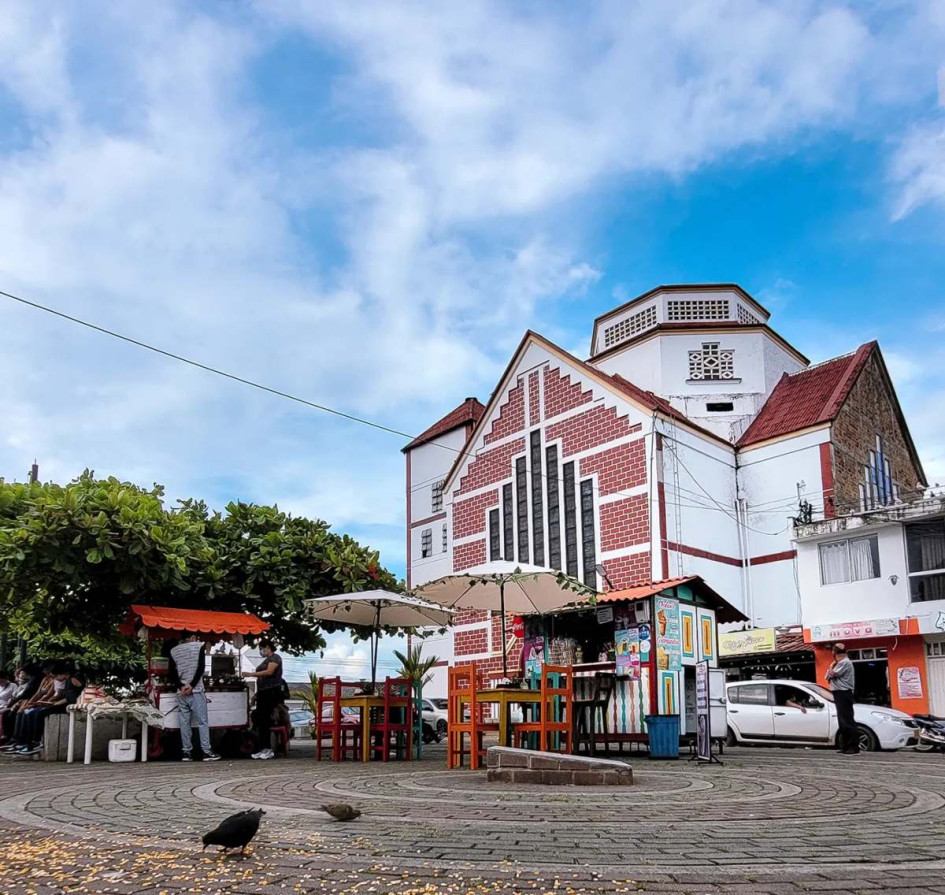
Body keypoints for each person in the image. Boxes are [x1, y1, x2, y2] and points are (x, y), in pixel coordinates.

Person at [7, 662, 84, 755]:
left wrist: (54, 704)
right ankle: (28, 741)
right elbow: (67, 697)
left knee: (40, 713)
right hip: (64, 704)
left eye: (56, 676)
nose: (55, 679)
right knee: (32, 712)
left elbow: (73, 697)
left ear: (62, 673)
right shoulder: (68, 680)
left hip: (69, 706)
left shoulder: (73, 679)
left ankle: (37, 741)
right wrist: (52, 703)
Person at [169, 633, 220, 762]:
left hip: (181, 692)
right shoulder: (199, 647)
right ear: (192, 637)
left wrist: (181, 686)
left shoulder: (174, 651)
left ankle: (187, 753)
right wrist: (191, 685)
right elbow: (201, 668)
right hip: (196, 690)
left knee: (184, 723)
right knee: (202, 722)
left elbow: (171, 673)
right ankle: (206, 752)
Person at [245, 639, 284, 761]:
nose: (261, 651)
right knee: (259, 718)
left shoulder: (275, 658)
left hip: (271, 692)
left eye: (262, 648)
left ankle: (267, 748)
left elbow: (269, 672)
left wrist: (251, 675)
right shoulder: (266, 660)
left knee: (264, 718)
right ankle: (263, 747)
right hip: (263, 692)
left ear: (267, 647)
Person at [825, 642, 858, 754]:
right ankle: (845, 746)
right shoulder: (841, 663)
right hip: (839, 693)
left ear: (834, 653)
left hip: (843, 692)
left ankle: (853, 747)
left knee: (847, 720)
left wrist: (831, 666)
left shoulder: (844, 663)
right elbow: (827, 676)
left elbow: (831, 675)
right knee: (842, 720)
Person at [0, 666, 41, 747]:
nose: (21, 677)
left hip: (25, 703)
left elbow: (26, 695)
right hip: (20, 703)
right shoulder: (30, 682)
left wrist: (15, 702)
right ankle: (9, 737)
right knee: (8, 714)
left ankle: (22, 739)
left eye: (23, 674)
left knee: (18, 713)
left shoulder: (33, 682)